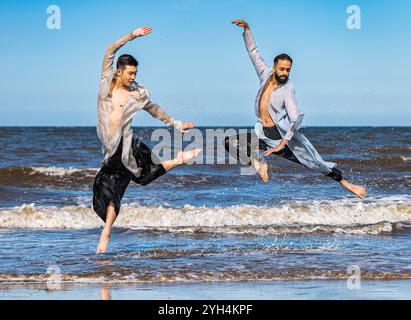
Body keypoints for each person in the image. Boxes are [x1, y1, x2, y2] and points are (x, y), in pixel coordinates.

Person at [225, 19, 366, 199]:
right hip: (263, 133)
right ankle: (259, 162)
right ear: (274, 67)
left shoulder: (287, 89)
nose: (285, 73)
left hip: (280, 137)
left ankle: (348, 184)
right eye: (282, 69)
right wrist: (247, 29)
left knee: (313, 162)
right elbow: (253, 53)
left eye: (288, 70)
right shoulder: (264, 74)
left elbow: (295, 118)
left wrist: (283, 143)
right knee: (230, 142)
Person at [93, 26, 201, 254]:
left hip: (126, 145)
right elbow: (110, 49)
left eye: (135, 74)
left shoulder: (136, 94)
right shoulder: (106, 85)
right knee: (118, 187)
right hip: (110, 149)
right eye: (130, 73)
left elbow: (154, 110)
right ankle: (179, 160)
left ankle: (106, 233)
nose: (133, 77)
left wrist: (176, 124)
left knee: (120, 183)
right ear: (119, 72)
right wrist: (132, 36)